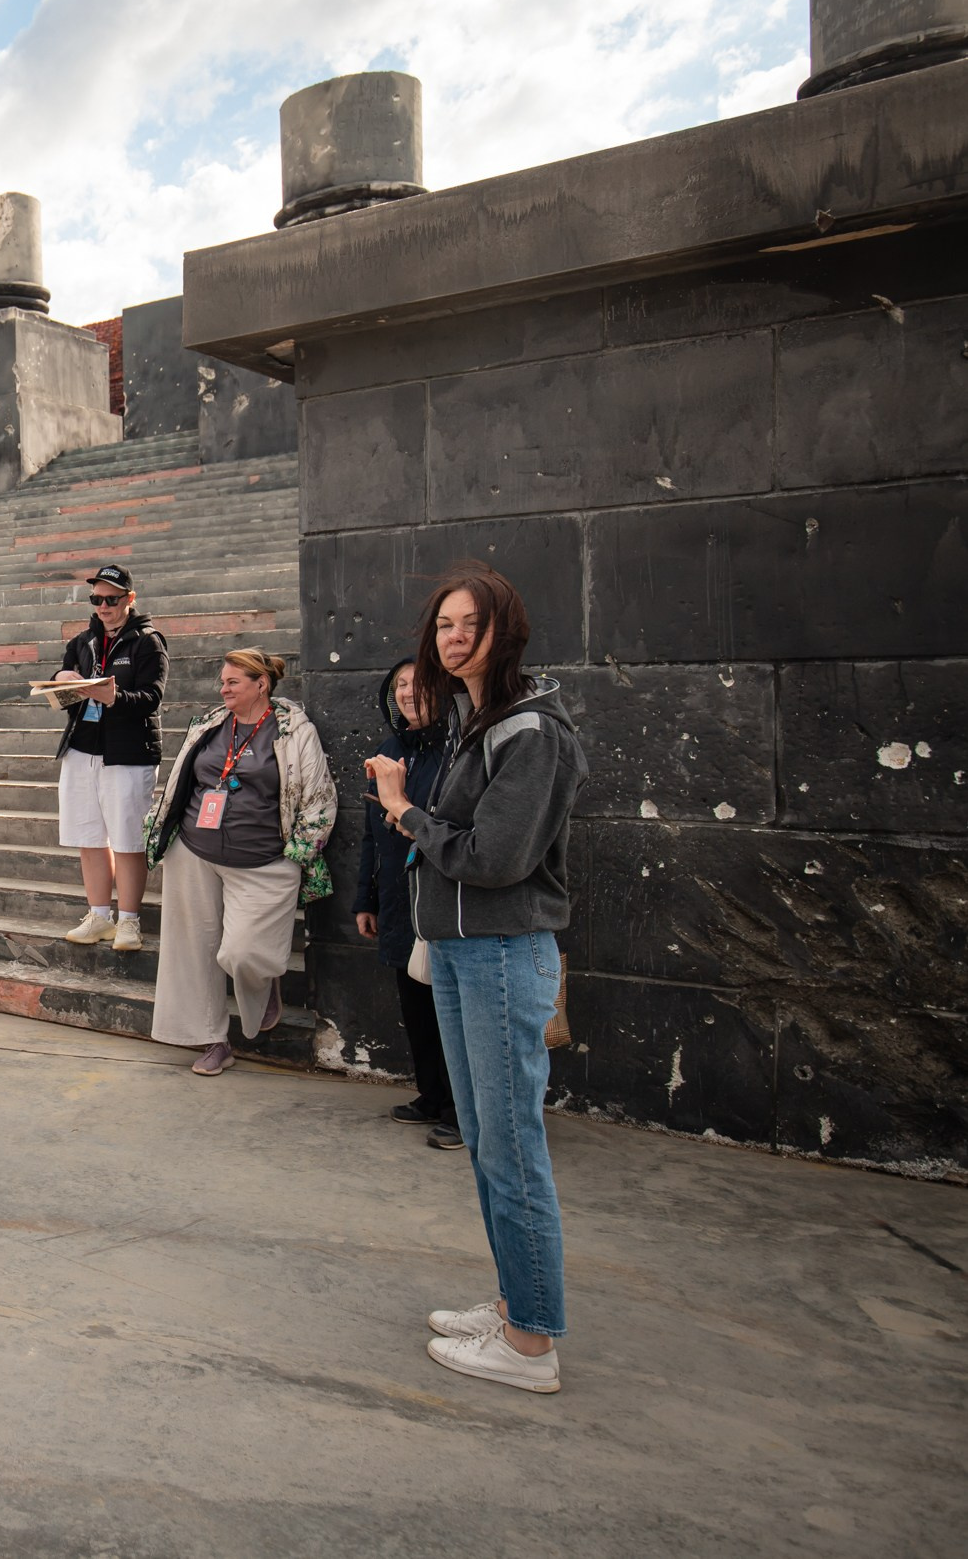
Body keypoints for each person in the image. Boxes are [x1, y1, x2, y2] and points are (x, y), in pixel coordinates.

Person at [369, 564, 586, 1396]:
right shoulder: (481, 720)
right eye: (444, 625)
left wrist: (403, 809)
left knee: (514, 1147)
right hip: (463, 950)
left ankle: (531, 1345)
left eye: (471, 623)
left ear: (508, 629)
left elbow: (495, 858)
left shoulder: (531, 731)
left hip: (500, 950)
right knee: (490, 1141)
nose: (454, 637)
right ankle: (514, 1304)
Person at [143, 648, 337, 1077]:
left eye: (232, 682)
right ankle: (213, 1039)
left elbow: (319, 799)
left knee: (245, 952)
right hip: (194, 851)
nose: (223, 688)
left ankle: (263, 985)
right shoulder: (212, 723)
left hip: (264, 859)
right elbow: (183, 779)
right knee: (192, 952)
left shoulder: (293, 731)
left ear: (261, 684)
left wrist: (300, 853)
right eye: (223, 681)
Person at [354, 657, 460, 1151]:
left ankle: (463, 1112)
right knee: (414, 1002)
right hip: (399, 897)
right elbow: (372, 834)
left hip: (445, 898)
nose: (407, 692)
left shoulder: (460, 751)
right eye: (399, 684)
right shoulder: (390, 749)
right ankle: (432, 1096)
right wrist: (366, 898)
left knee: (452, 1010)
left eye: (419, 683)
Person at [50, 564, 169, 952]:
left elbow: (152, 699)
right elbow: (65, 691)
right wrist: (61, 680)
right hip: (83, 748)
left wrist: (113, 697)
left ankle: (130, 920)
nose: (103, 606)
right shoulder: (83, 641)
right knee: (89, 838)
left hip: (128, 753)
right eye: (97, 599)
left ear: (130, 600)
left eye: (112, 599)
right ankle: (100, 915)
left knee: (128, 840)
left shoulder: (148, 642)